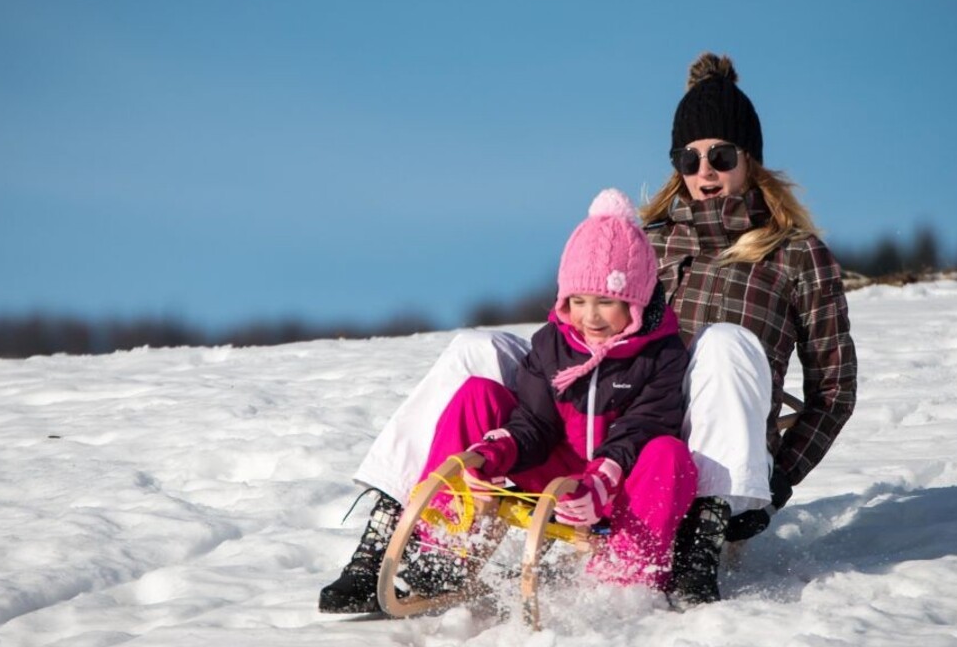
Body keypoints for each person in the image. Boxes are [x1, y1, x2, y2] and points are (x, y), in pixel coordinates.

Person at [318, 52, 857, 613]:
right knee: (476, 348)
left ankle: (703, 533)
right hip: (611, 427)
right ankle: (396, 527)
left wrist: (774, 482)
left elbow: (834, 391)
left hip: (692, 455)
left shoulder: (798, 254)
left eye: (720, 156)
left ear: (751, 160)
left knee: (722, 343)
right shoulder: (644, 242)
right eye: (688, 158)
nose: (705, 172)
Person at [402, 188, 696, 594]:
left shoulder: (661, 354)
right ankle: (444, 544)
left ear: (637, 302)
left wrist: (599, 484)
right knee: (477, 393)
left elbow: (643, 427)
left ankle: (627, 576)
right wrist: (495, 450)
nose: (589, 316)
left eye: (606, 301)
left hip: (618, 489)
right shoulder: (551, 345)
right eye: (577, 300)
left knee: (668, 453)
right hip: (557, 475)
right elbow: (534, 422)